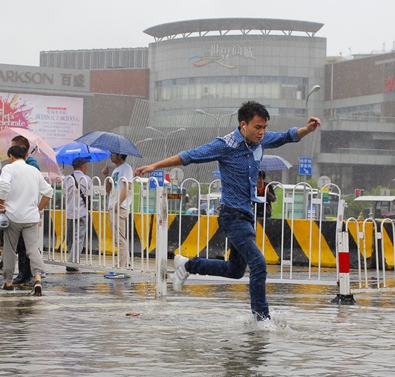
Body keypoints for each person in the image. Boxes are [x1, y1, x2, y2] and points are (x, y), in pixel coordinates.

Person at [134, 100, 321, 322]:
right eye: (257, 127)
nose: (262, 132)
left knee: (235, 270)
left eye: (264, 127)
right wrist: (155, 166)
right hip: (232, 216)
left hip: (247, 215)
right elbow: (190, 156)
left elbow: (286, 136)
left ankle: (188, 264)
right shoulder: (225, 145)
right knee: (259, 264)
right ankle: (262, 319)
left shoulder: (260, 140)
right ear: (243, 125)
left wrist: (307, 129)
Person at [0, 144, 52, 295]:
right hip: (31, 217)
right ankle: (37, 278)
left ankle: (8, 282)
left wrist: (1, 205)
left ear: (11, 157)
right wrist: (38, 208)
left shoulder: (9, 168)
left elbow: (4, 186)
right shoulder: (34, 171)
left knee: (10, 249)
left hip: (13, 216)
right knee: (32, 249)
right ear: (25, 156)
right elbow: (48, 192)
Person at [8, 135, 40, 285]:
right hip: (17, 211)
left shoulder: (31, 165)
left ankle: (31, 275)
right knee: (20, 245)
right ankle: (22, 273)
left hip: (27, 210)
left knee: (29, 246)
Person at [102, 152, 133, 270]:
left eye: (113, 153)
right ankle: (126, 264)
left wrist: (118, 203)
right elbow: (109, 190)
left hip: (119, 207)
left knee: (119, 239)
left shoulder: (126, 168)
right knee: (118, 238)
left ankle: (120, 267)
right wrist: (106, 176)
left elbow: (128, 187)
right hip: (113, 206)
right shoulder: (116, 170)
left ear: (120, 155)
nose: (111, 155)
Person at [64, 157, 91, 271]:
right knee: (78, 238)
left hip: (70, 212)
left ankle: (73, 260)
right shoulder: (87, 179)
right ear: (82, 166)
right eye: (86, 166)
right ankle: (72, 263)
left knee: (70, 238)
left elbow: (64, 195)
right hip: (82, 212)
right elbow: (91, 194)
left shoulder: (67, 179)